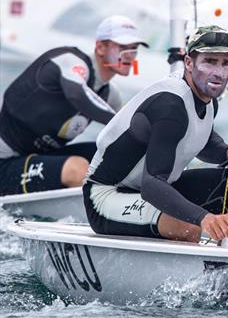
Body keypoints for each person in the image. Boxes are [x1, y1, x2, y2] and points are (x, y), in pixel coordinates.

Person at [83, 25, 228, 243]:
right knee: (188, 225)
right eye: (210, 62)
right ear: (189, 62)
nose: (219, 72)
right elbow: (151, 186)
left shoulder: (207, 99)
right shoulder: (170, 105)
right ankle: (210, 274)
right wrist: (204, 217)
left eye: (226, 63)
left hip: (160, 188)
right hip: (107, 196)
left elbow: (205, 143)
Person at [0, 15, 148, 196]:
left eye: (134, 49)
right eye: (123, 47)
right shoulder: (70, 61)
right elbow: (77, 94)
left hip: (40, 157)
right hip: (5, 161)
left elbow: (131, 133)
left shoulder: (111, 96)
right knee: (77, 170)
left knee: (122, 155)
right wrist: (125, 123)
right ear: (100, 47)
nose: (130, 55)